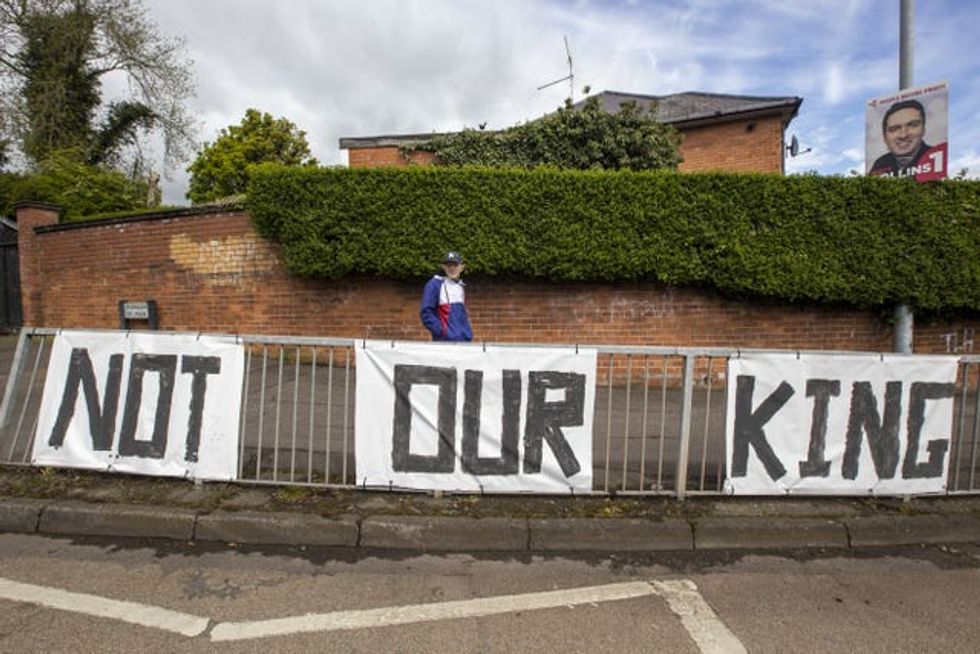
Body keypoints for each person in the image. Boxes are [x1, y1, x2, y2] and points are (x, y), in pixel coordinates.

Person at [868, 99, 943, 180]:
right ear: (885, 137)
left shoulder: (935, 157)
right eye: (894, 129)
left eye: (912, 125)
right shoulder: (880, 163)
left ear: (923, 129)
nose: (903, 135)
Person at [420, 251, 473, 342]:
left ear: (461, 267)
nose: (452, 268)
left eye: (455, 265)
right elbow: (426, 313)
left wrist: (467, 333)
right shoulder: (434, 284)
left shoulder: (459, 285)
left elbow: (460, 315)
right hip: (444, 343)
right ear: (443, 267)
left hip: (464, 341)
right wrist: (443, 333)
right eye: (448, 265)